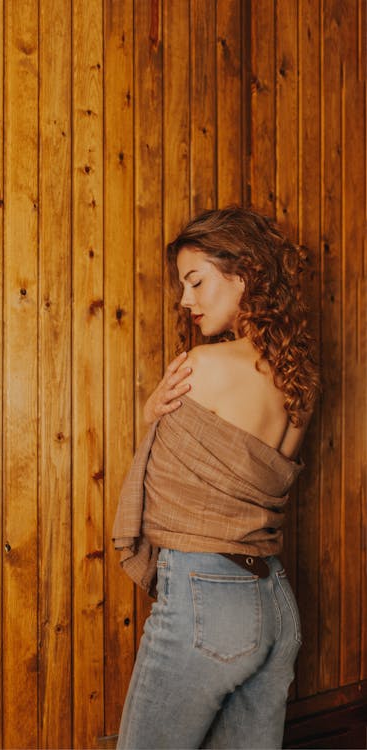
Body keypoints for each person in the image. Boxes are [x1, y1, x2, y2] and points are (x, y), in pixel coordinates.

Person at [112, 206, 320, 749]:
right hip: (272, 600)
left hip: (205, 597)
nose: (187, 300)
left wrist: (150, 414)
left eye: (196, 280)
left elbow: (159, 476)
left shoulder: (201, 367)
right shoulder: (302, 387)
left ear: (244, 273)